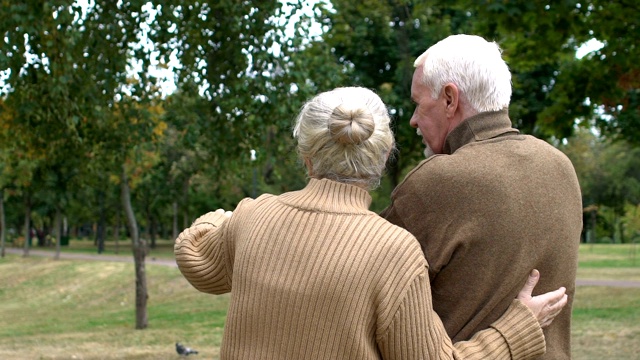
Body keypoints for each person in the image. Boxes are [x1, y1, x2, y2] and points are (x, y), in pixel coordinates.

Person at [175, 86, 568, 360]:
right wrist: (517, 329)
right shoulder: (393, 251)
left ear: (306, 156)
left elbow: (193, 254)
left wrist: (224, 218)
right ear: (382, 159)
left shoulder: (252, 218)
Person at [380, 34, 583, 360]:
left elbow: (363, 283)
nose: (413, 120)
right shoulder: (561, 166)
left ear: (449, 99)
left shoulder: (438, 181)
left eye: (419, 104)